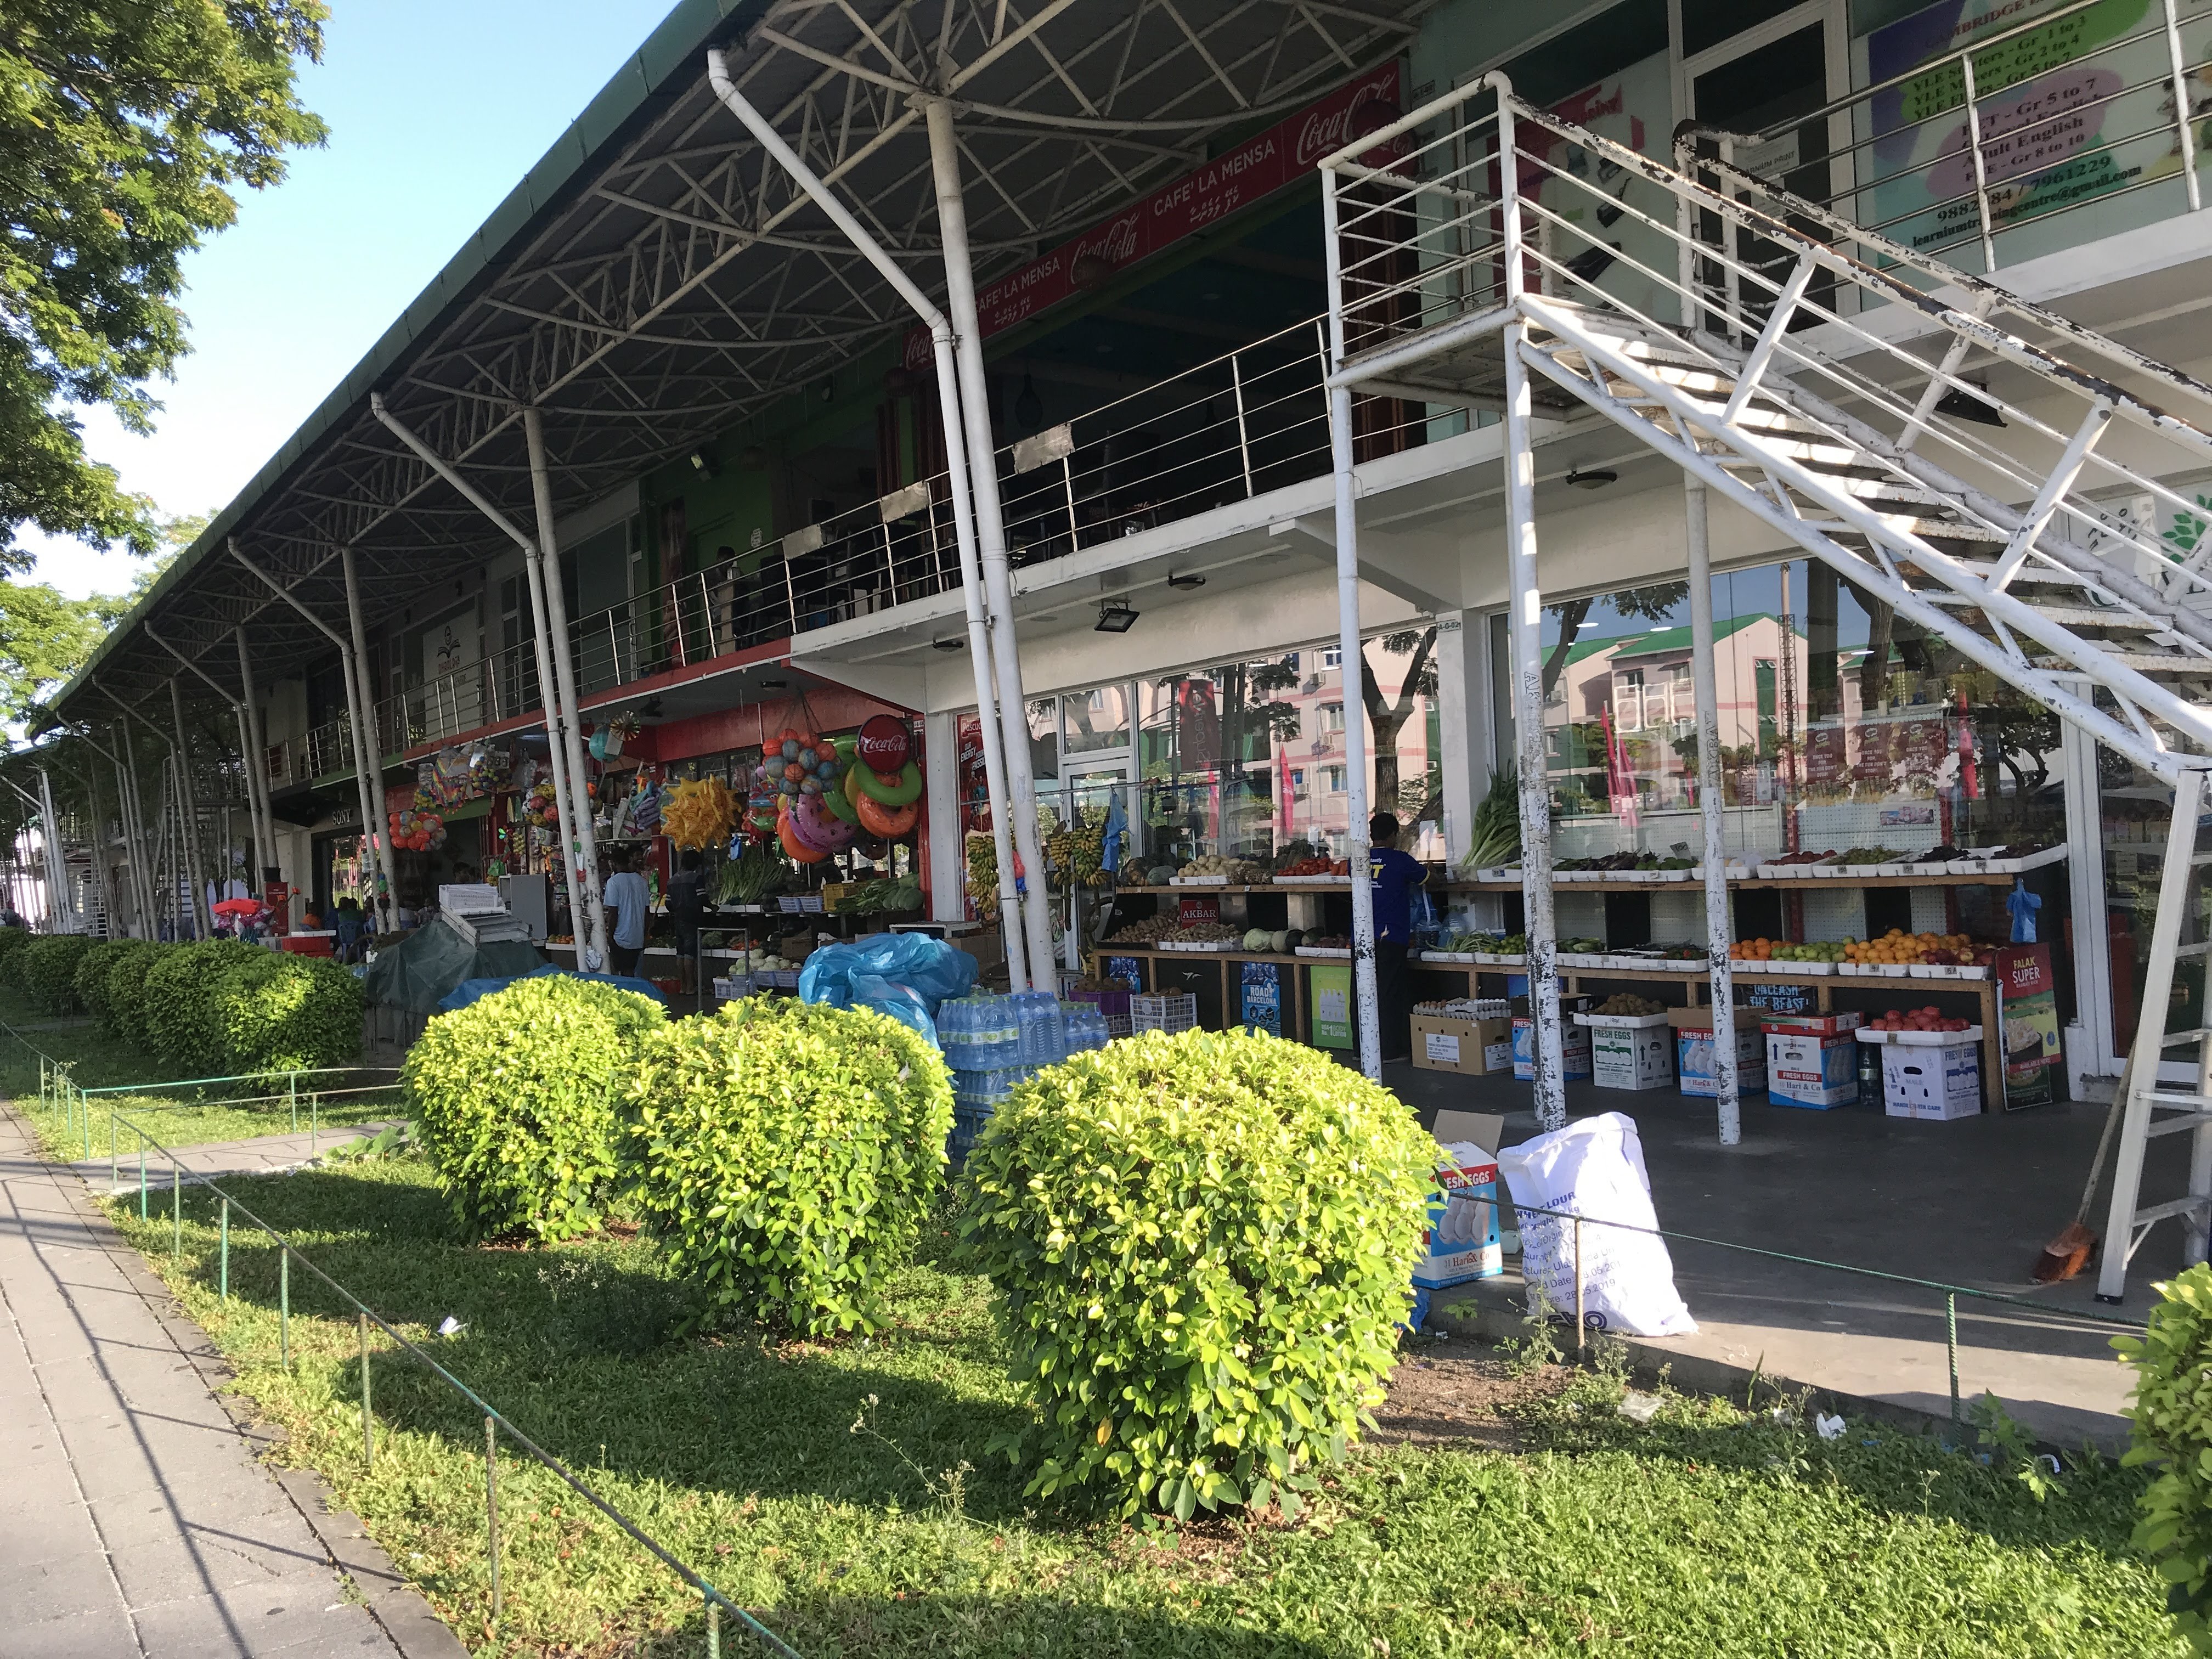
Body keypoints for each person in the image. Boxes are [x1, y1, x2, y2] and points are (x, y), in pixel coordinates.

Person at [1368, 811, 1426, 1064]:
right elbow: (1426, 878)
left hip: (1361, 937)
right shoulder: (1401, 860)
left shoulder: (1356, 861)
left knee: (1362, 991)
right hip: (1391, 936)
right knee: (1389, 993)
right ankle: (1390, 1050)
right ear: (1393, 835)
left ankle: (1362, 1047)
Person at [603, 849, 650, 977]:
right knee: (635, 970)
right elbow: (647, 912)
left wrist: (610, 935)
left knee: (625, 972)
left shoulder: (613, 882)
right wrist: (645, 933)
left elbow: (613, 912)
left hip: (621, 936)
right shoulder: (642, 882)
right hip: (638, 936)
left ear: (613, 863)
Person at [667, 848, 706, 994]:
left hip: (678, 919)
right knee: (690, 953)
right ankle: (691, 987)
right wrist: (712, 907)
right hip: (692, 919)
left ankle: (683, 987)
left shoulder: (672, 880)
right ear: (696, 864)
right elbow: (702, 898)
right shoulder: (696, 878)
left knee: (681, 953)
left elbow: (668, 904)